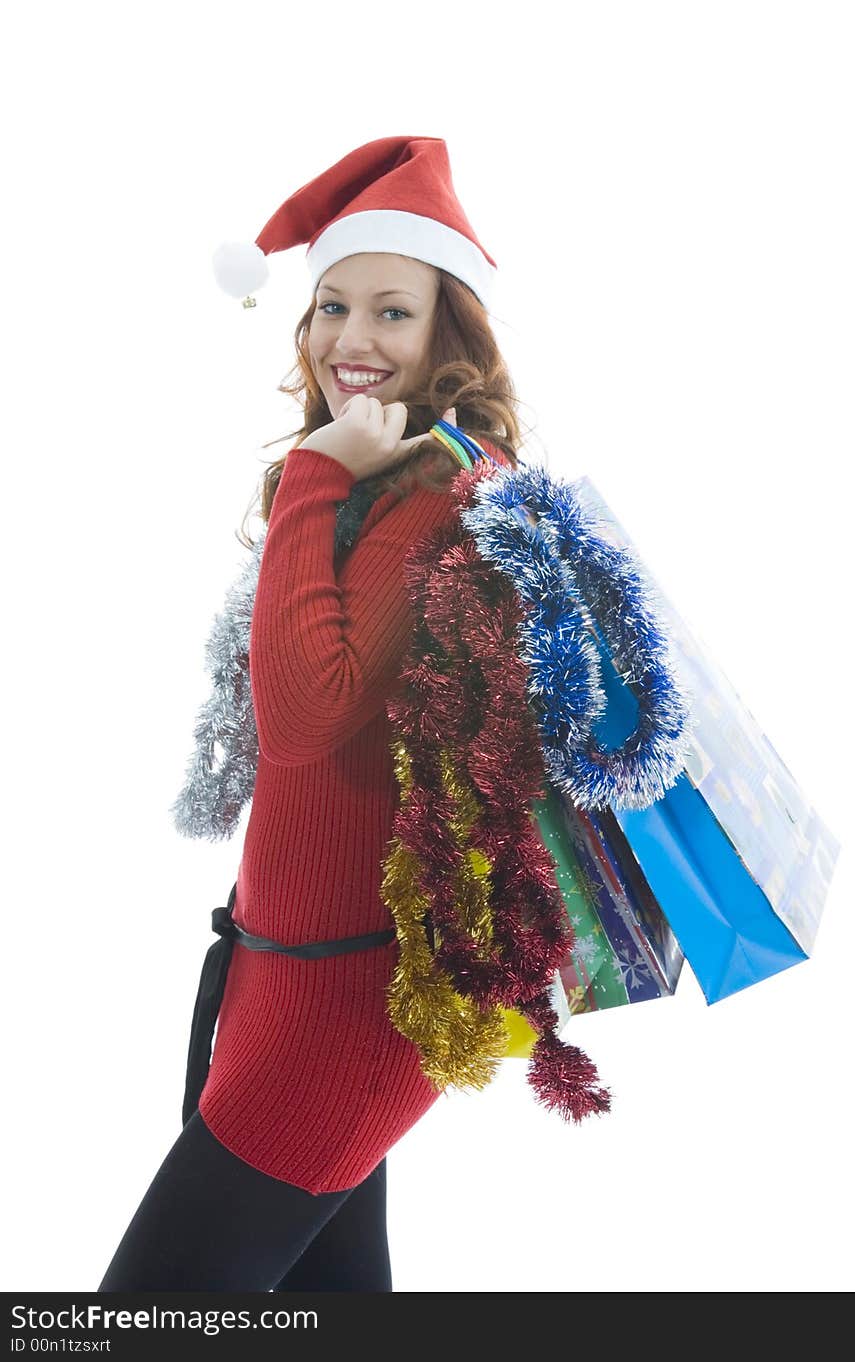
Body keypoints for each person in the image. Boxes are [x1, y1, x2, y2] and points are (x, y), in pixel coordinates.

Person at [98, 136, 523, 1293]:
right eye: (332, 305)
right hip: (291, 976)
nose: (352, 340)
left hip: (343, 1010)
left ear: (449, 333)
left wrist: (311, 477)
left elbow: (303, 716)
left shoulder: (438, 491)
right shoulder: (377, 475)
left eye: (393, 311)